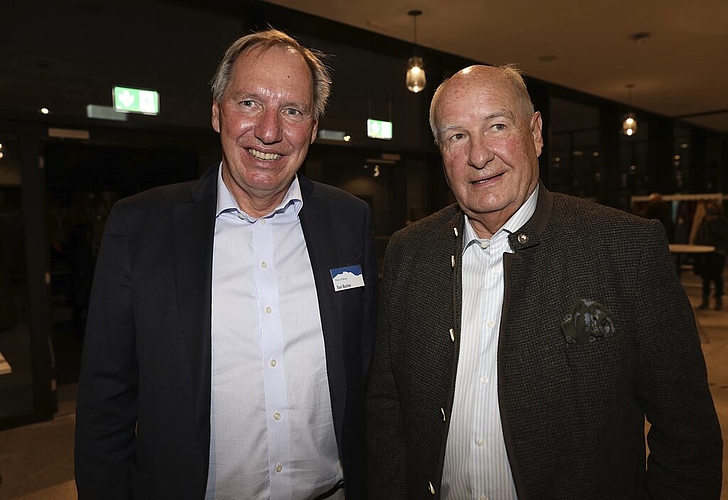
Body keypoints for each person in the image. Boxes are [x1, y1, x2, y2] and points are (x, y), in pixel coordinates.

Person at [367, 64, 722, 499]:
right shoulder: (409, 253)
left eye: (497, 126)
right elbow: (387, 408)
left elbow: (687, 434)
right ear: (441, 150)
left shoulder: (624, 247)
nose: (479, 155)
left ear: (535, 133)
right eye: (457, 136)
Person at [75, 29, 378, 499]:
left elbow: (367, 373)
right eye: (250, 103)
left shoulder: (349, 221)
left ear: (313, 128)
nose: (270, 131)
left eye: (292, 110)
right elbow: (105, 404)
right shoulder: (140, 228)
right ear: (217, 113)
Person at [694, 201, 728, 310]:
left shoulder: (722, 221)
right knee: (706, 277)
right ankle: (705, 301)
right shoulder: (704, 221)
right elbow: (700, 234)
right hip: (705, 252)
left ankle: (718, 300)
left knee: (717, 276)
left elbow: (721, 234)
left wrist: (711, 224)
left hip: (717, 251)